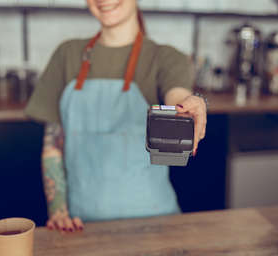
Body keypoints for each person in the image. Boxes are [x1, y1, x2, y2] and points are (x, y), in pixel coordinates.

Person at [25, 0, 207, 233]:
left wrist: (187, 106)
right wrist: (58, 211)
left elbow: (177, 97)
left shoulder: (165, 58)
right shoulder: (67, 55)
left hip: (155, 224)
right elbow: (53, 146)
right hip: (81, 227)